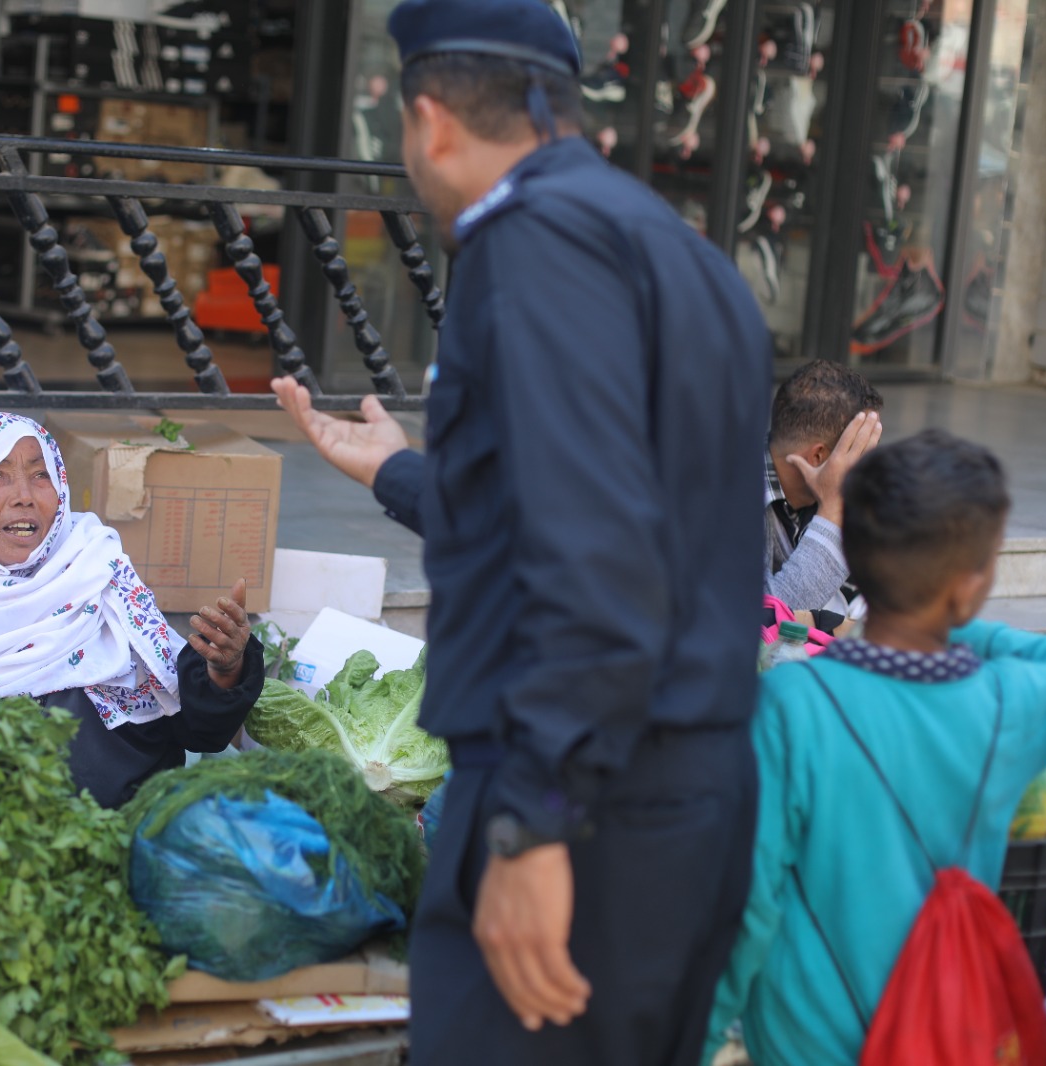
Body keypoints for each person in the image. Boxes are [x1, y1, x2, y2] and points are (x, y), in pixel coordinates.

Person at [271, 1, 772, 1062]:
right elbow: (595, 510)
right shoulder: (670, 251)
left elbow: (597, 561)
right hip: (673, 795)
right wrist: (408, 475)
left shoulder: (531, 245)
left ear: (428, 120)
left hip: (587, 802)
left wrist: (531, 824)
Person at [706, 429, 1046, 1065]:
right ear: (968, 583)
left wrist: (702, 1036)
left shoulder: (792, 704)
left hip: (804, 1040)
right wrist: (953, 618)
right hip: (940, 1030)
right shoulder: (1008, 705)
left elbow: (749, 905)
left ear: (853, 551)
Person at [0, 412, 264, 809]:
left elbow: (197, 730)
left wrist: (226, 670)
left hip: (125, 834)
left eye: (40, 475)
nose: (24, 495)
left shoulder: (95, 569)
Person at [764, 360, 884, 625]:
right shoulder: (728, 496)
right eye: (861, 452)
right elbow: (767, 619)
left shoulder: (807, 498)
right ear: (819, 456)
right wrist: (833, 510)